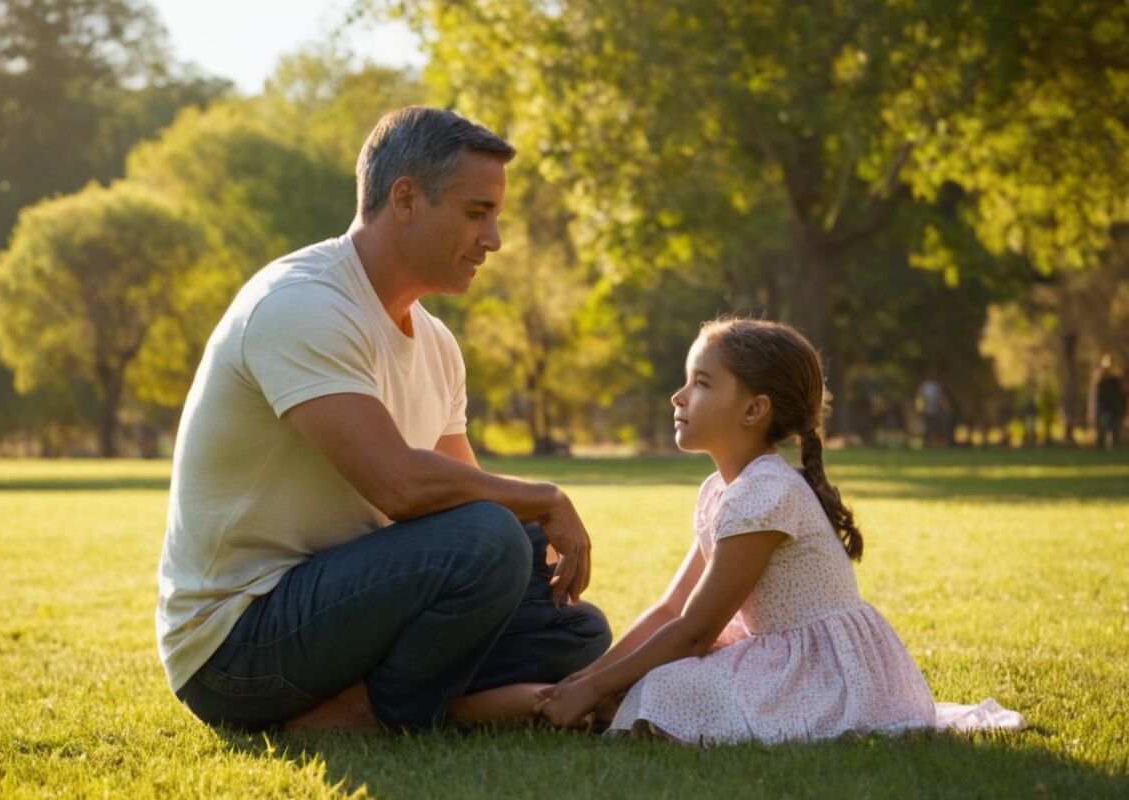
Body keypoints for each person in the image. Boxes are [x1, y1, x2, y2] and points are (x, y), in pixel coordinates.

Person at [158, 106, 610, 734]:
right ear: (405, 199)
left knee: (574, 629)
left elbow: (460, 492)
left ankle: (413, 699)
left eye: (495, 217)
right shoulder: (302, 304)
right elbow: (399, 487)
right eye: (477, 214)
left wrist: (531, 524)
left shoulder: (437, 344)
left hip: (345, 612)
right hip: (238, 645)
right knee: (491, 536)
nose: (494, 240)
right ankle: (373, 714)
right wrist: (545, 496)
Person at [537, 318, 1024, 744]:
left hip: (825, 674)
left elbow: (696, 631)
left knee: (664, 688)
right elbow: (671, 609)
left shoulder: (766, 492)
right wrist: (586, 678)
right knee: (650, 684)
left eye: (701, 383)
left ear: (754, 410)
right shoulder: (721, 491)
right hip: (777, 658)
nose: (678, 395)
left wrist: (595, 690)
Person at [1091, 354, 1126, 450]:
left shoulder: (1118, 379)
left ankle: (1114, 447)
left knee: (1115, 430)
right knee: (1103, 428)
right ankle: (1102, 447)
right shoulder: (1100, 379)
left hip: (1115, 408)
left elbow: (1122, 394)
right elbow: (1096, 395)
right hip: (1105, 408)